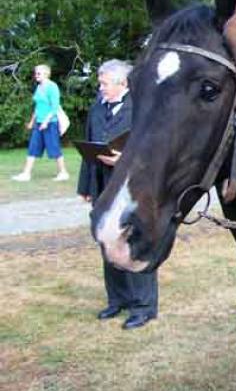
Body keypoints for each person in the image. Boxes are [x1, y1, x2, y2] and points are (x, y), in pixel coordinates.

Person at [77, 59, 159, 330]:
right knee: (106, 240)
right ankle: (118, 299)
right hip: (103, 184)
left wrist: (124, 159)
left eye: (104, 83)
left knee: (133, 243)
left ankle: (143, 306)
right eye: (100, 83)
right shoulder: (97, 108)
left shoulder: (140, 107)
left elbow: (153, 149)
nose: (100, 88)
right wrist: (86, 187)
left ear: (122, 83)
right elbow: (88, 150)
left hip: (133, 187)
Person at [11, 64, 69, 182]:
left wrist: (46, 122)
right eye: (36, 73)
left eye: (39, 73)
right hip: (39, 123)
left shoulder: (52, 87)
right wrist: (32, 122)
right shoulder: (39, 87)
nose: (36, 75)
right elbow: (38, 107)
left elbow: (54, 107)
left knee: (54, 149)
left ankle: (63, 172)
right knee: (33, 148)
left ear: (46, 74)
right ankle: (26, 174)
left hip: (51, 123)